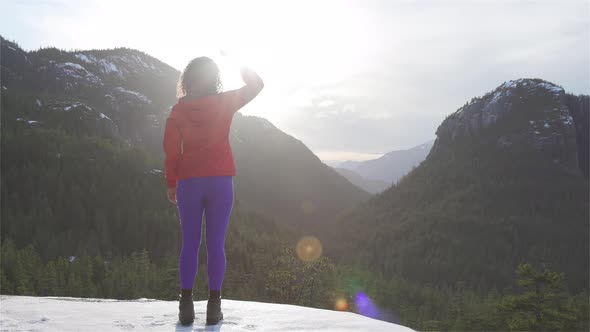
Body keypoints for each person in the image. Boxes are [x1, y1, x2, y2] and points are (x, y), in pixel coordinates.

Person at [162, 56, 264, 326]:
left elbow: (171, 152)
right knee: (215, 244)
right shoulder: (225, 102)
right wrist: (241, 67)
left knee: (190, 244)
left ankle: (185, 307)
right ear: (214, 79)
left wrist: (171, 183)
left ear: (188, 80)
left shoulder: (177, 112)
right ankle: (213, 307)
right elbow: (257, 85)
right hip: (220, 181)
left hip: (189, 182)